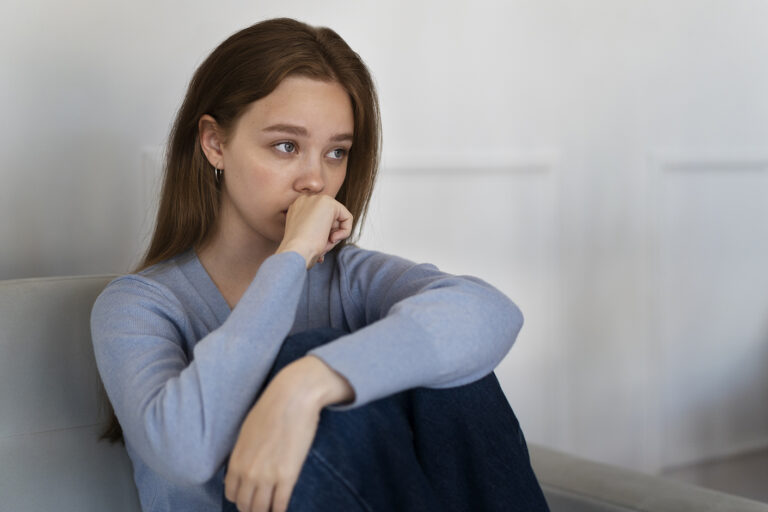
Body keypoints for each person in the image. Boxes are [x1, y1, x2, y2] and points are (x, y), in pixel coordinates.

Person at [90, 17, 550, 512]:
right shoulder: (139, 306)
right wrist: (291, 259)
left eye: (337, 152)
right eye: (286, 146)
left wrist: (305, 385)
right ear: (215, 143)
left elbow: (490, 312)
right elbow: (185, 452)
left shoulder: (352, 279)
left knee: (450, 359)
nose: (316, 180)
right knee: (307, 348)